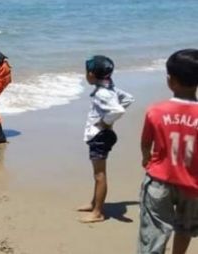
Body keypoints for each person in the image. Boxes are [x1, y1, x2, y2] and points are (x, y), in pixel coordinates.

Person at [138, 49, 198, 254]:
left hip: (159, 180)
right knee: (185, 227)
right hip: (193, 184)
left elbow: (146, 143)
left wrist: (146, 159)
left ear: (170, 80)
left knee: (153, 233)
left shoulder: (156, 111)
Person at [78, 55, 134, 223]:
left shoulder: (103, 93)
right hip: (102, 135)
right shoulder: (109, 88)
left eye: (86, 72)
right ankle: (94, 203)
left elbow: (118, 110)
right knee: (98, 174)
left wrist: (105, 122)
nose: (85, 75)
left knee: (99, 175)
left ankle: (98, 212)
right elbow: (129, 99)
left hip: (99, 136)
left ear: (92, 75)